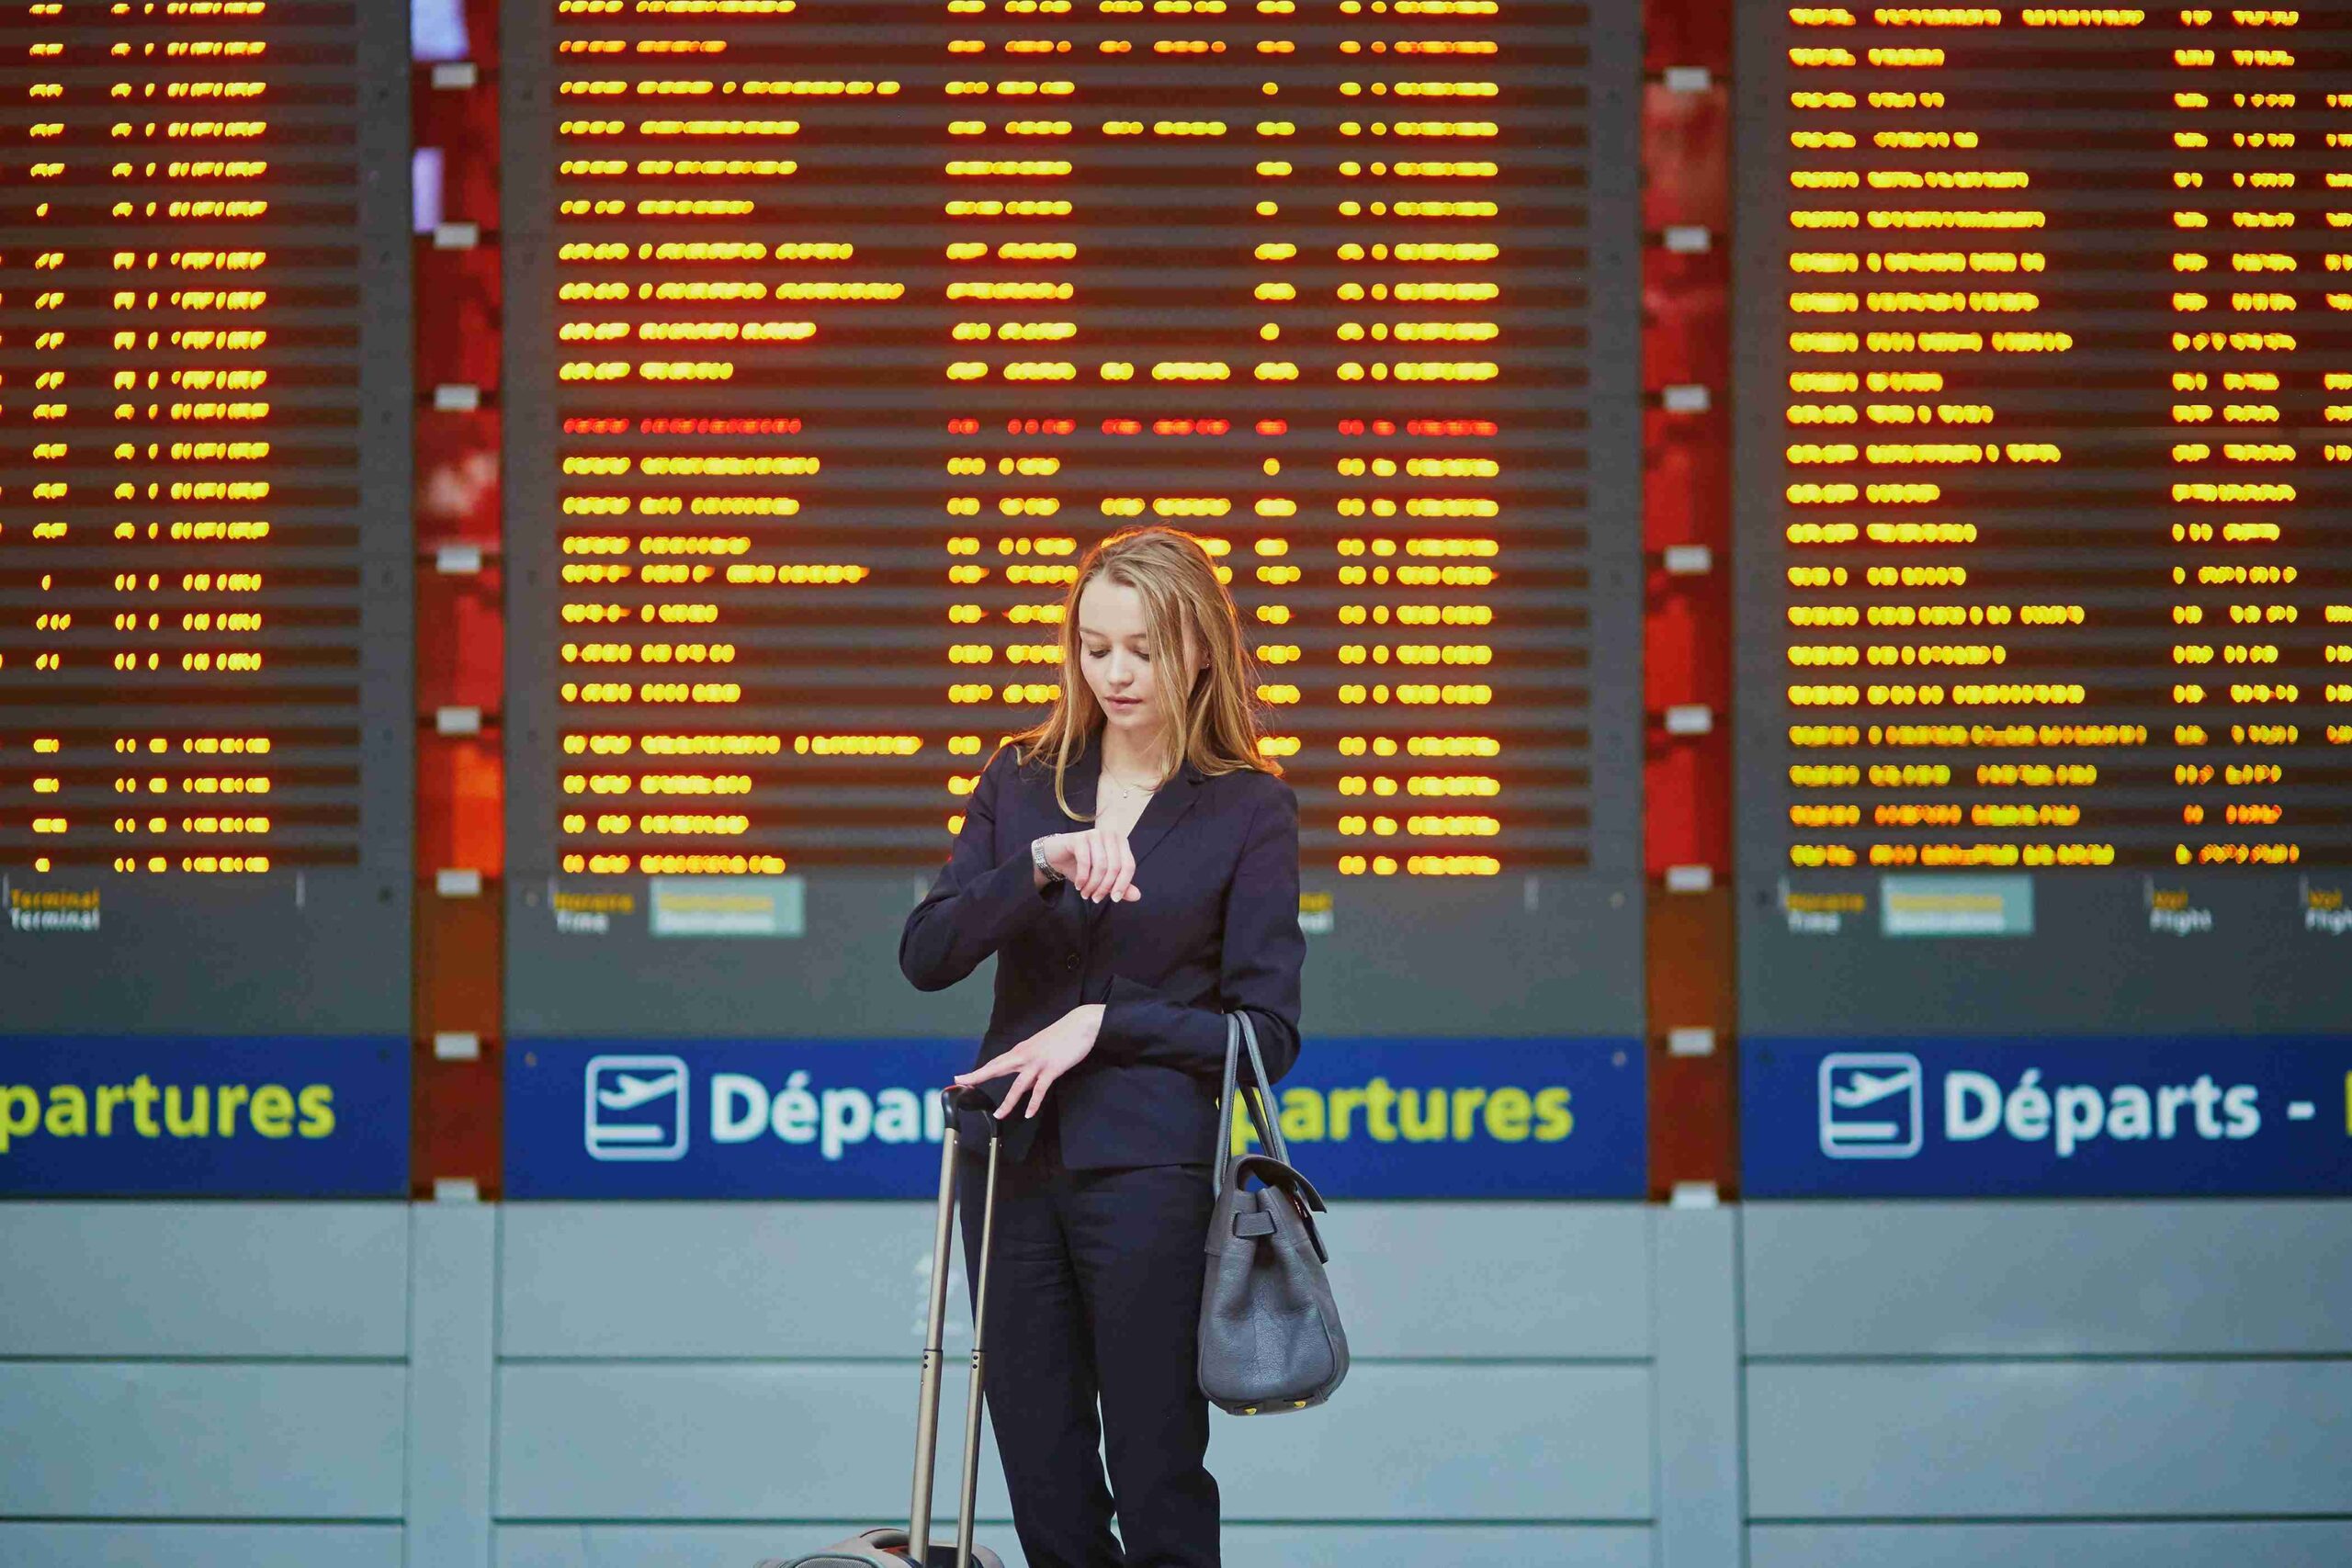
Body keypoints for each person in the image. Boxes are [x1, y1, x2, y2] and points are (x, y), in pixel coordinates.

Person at [899, 525, 1306, 1568]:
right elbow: (928, 954)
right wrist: (1029, 867)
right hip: (1010, 1168)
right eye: (1094, 647)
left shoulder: (1249, 808)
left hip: (1151, 1177)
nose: (1115, 673)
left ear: (1200, 651)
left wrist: (1105, 1023)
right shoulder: (1023, 780)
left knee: (1157, 1463)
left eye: (1143, 649)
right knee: (1042, 1473)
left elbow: (1265, 1033)